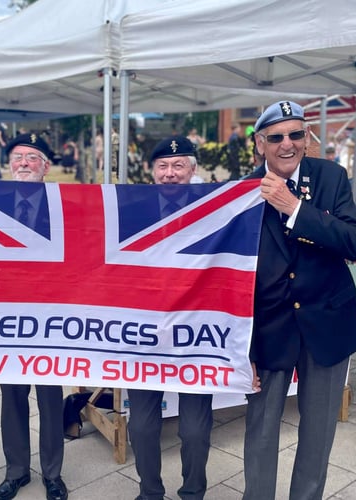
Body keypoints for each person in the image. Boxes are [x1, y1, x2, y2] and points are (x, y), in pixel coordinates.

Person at [244, 100, 356, 500]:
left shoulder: (330, 177)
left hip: (328, 324)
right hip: (268, 329)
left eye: (296, 134)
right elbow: (233, 273)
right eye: (276, 137)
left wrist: (295, 208)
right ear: (260, 143)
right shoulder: (241, 191)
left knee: (318, 434)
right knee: (261, 433)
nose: (288, 145)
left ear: (307, 139)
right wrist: (238, 342)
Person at [126, 135, 217, 500]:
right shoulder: (133, 213)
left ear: (192, 171)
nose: (169, 173)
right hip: (144, 334)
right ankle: (150, 492)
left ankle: (193, 492)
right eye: (162, 166)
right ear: (152, 173)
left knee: (195, 429)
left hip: (195, 334)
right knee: (142, 427)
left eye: (178, 166)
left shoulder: (215, 212)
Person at [0, 133, 68, 500]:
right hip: (8, 319)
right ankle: (16, 471)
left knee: (51, 399)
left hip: (51, 319)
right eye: (18, 157)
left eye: (32, 158)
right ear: (9, 165)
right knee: (13, 396)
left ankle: (53, 473)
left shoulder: (65, 204)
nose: (23, 163)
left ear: (46, 166)